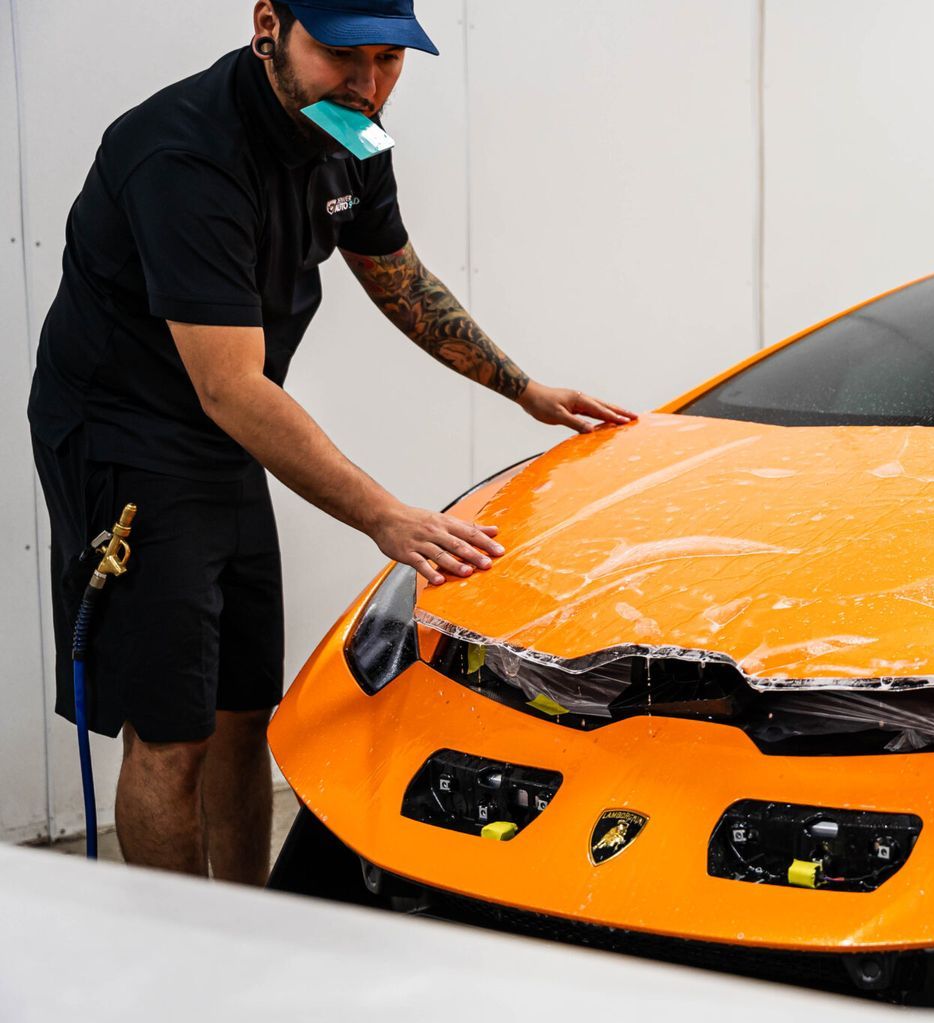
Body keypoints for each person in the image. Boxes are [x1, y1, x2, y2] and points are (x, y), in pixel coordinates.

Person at [26, 1, 636, 884]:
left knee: (242, 706)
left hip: (227, 425)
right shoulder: (182, 157)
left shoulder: (350, 130)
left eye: (390, 59)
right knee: (170, 729)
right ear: (269, 24)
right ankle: (170, 958)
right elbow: (228, 385)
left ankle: (248, 924)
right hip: (129, 435)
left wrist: (523, 388)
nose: (368, 82)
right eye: (343, 55)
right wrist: (387, 517)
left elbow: (398, 276)